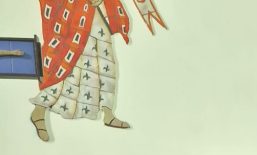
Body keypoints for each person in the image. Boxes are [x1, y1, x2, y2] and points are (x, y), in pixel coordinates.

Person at [30, 0, 164, 142]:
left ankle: (108, 113)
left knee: (105, 60)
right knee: (68, 61)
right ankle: (39, 110)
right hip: (74, 10)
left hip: (96, 12)